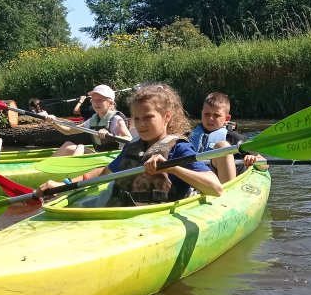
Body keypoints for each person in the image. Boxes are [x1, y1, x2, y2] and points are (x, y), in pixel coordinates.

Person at [41, 82, 222, 205]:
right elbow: (105, 172)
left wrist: (172, 168)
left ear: (167, 116)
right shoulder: (132, 146)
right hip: (126, 213)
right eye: (136, 118)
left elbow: (215, 188)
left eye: (149, 117)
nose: (141, 124)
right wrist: (64, 184)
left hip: (157, 217)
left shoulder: (180, 149)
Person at [188, 92, 260, 183]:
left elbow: (263, 162)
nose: (210, 118)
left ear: (226, 119)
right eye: (207, 114)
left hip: (220, 181)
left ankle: (227, 192)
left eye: (216, 115)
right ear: (202, 113)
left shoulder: (234, 137)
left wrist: (252, 158)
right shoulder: (189, 135)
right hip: (196, 179)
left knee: (222, 147)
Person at [46, 84, 132, 155]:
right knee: (68, 145)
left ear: (110, 103)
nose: (96, 103)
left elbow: (129, 139)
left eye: (100, 100)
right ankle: (44, 168)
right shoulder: (93, 119)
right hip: (100, 155)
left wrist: (111, 135)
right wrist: (53, 122)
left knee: (81, 147)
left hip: (113, 157)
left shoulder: (117, 119)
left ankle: (73, 172)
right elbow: (68, 131)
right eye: (93, 100)